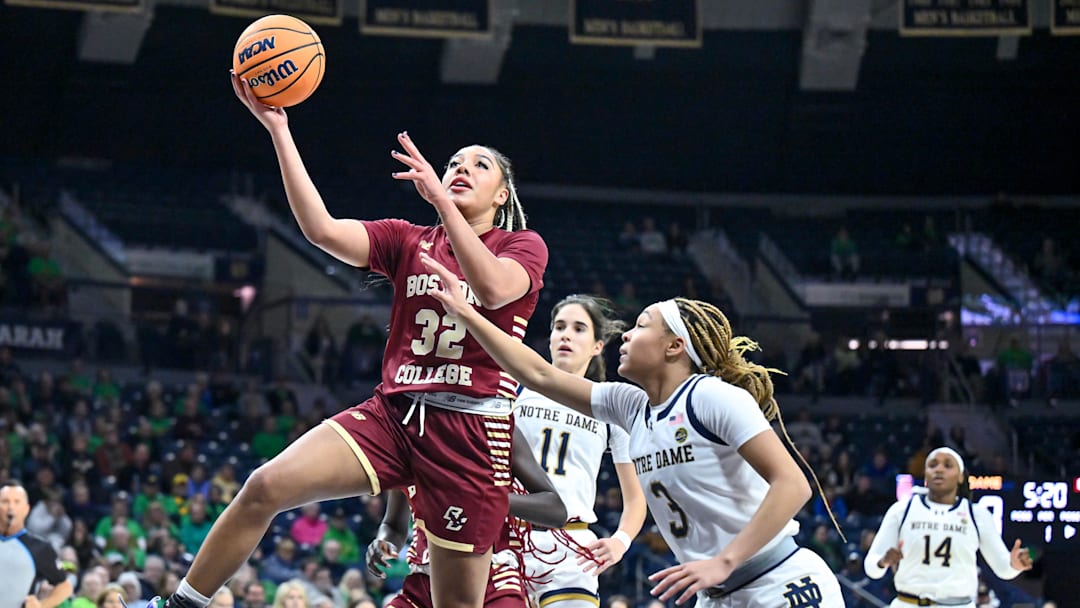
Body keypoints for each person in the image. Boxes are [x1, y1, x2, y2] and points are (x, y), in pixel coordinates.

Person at [159, 73, 547, 608]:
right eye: (455, 161)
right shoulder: (407, 239)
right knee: (264, 487)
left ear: (503, 195)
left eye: (479, 165)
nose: (461, 168)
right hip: (395, 413)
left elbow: (494, 288)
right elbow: (320, 229)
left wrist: (443, 202)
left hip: (471, 432)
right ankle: (180, 604)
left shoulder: (523, 245)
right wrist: (279, 130)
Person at [416, 263, 843, 608]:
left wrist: (723, 561)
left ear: (674, 346)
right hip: (716, 594)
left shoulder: (711, 397)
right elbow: (537, 373)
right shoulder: (630, 406)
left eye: (641, 326)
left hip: (779, 580)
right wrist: (468, 315)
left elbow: (794, 484)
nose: (626, 334)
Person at [513, 294, 647, 608]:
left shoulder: (611, 406)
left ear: (598, 346)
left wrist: (620, 540)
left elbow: (636, 498)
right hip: (507, 535)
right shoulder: (515, 389)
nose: (566, 335)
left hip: (573, 547)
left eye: (578, 328)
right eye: (559, 327)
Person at [366, 425, 567, 608]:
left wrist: (490, 500)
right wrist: (383, 541)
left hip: (493, 577)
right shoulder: (406, 437)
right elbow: (393, 524)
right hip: (423, 583)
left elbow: (556, 510)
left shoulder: (500, 427)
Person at [863, 447, 1033, 607]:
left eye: (948, 465)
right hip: (909, 602)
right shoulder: (902, 510)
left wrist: (1014, 564)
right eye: (933, 465)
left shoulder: (976, 515)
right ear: (925, 475)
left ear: (960, 477)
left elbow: (1003, 569)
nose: (939, 469)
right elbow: (871, 568)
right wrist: (883, 562)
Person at [0, 480, 75, 608]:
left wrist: (42, 605)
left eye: (17, 502)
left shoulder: (39, 548)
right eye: (5, 501)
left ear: (26, 509)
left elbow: (65, 586)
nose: (11, 507)